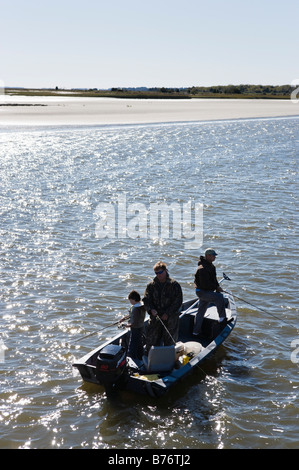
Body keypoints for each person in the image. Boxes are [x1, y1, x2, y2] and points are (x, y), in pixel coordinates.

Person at [143, 261, 183, 352]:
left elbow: (178, 302)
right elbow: (146, 300)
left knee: (169, 342)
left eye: (160, 272)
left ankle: (169, 361)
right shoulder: (151, 286)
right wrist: (151, 309)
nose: (158, 275)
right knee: (151, 340)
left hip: (171, 318)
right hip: (156, 317)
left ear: (165, 271)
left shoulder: (174, 285)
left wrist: (167, 313)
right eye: (156, 273)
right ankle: (151, 359)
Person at [193, 248, 226, 336]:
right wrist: (216, 288)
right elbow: (205, 284)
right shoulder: (202, 269)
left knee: (201, 312)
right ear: (207, 256)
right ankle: (222, 318)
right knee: (219, 297)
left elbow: (214, 280)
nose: (214, 257)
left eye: (215, 256)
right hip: (202, 292)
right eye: (213, 256)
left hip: (207, 292)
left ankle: (196, 331)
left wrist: (217, 287)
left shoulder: (211, 266)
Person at [124, 290, 146, 360]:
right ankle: (141, 357)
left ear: (133, 299)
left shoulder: (136, 309)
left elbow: (134, 323)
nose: (130, 302)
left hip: (135, 329)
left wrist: (127, 325)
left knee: (132, 346)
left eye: (130, 300)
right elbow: (131, 315)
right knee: (139, 344)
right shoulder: (141, 305)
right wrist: (123, 318)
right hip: (141, 327)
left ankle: (131, 359)